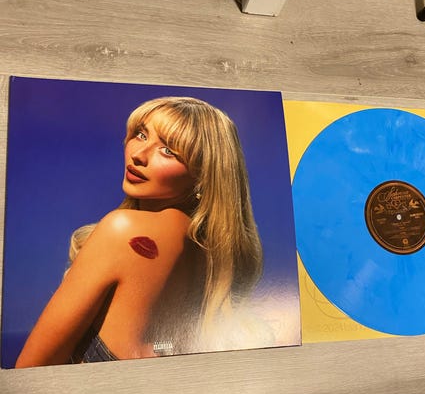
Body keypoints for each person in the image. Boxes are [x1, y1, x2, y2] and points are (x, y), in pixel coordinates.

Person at [15, 97, 263, 367]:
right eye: (141, 135)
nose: (138, 155)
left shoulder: (123, 228)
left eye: (168, 150)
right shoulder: (212, 259)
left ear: (204, 176)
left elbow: (31, 370)